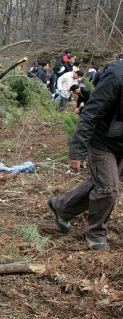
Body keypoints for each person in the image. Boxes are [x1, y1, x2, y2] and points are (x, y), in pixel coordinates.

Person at [48, 60, 123, 251]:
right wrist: (77, 151)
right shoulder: (117, 75)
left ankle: (62, 207)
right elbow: (91, 112)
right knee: (108, 189)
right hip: (102, 141)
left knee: (100, 182)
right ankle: (96, 233)